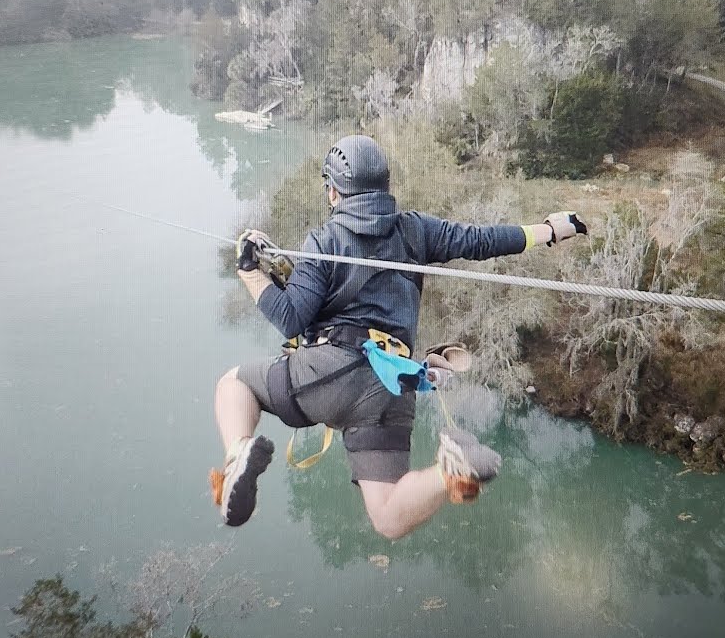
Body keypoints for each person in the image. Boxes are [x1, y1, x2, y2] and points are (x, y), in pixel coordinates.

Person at [210, 134, 586, 540]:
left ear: (333, 191)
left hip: (331, 371)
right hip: (390, 385)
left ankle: (237, 457)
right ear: (384, 187)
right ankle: (449, 472)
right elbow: (484, 241)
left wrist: (250, 271)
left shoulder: (325, 240)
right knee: (389, 518)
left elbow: (290, 318)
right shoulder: (416, 231)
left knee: (235, 385)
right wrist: (549, 230)